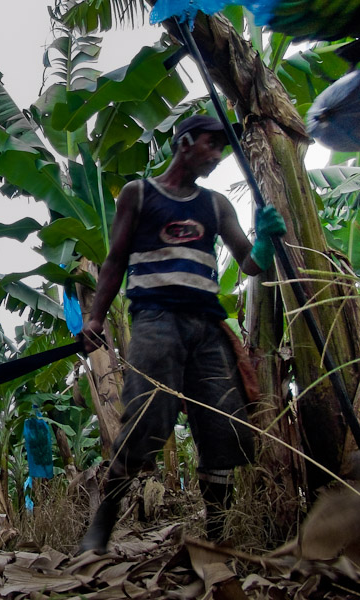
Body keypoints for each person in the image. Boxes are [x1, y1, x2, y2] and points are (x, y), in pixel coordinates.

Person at [77, 114, 287, 554]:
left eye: (221, 149)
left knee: (223, 425)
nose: (217, 156)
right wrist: (95, 319)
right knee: (147, 420)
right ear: (185, 142)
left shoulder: (215, 206)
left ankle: (217, 535)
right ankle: (102, 525)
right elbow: (114, 261)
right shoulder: (139, 194)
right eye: (211, 145)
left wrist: (265, 241)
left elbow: (248, 263)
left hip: (208, 327)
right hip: (156, 320)